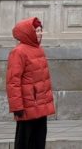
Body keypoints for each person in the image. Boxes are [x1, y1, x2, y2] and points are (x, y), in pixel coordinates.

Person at [6, 17, 55, 149]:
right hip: (27, 105)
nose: (39, 33)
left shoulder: (39, 50)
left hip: (40, 104)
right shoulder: (18, 52)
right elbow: (13, 81)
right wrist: (17, 107)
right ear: (28, 32)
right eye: (36, 30)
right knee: (24, 142)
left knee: (39, 141)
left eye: (40, 30)